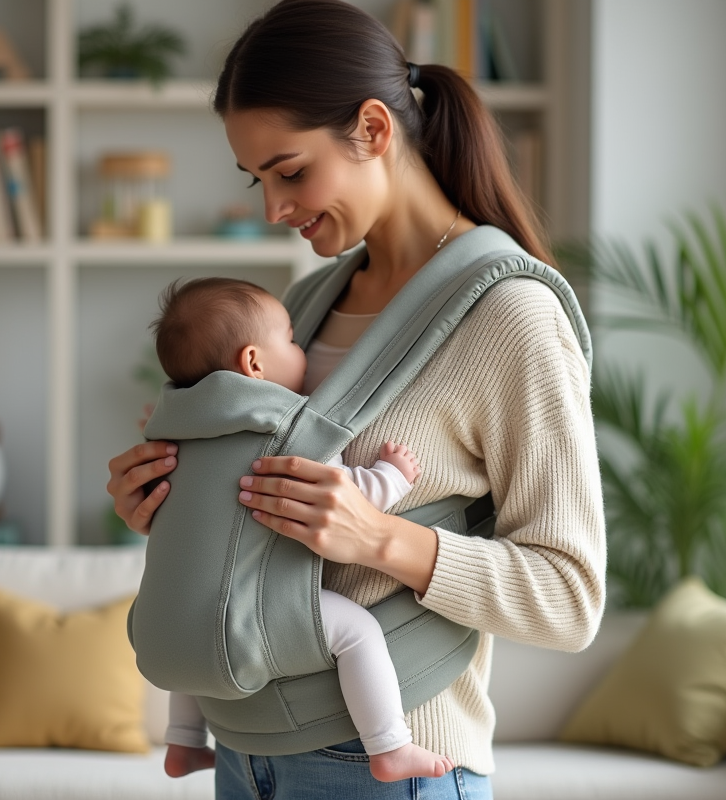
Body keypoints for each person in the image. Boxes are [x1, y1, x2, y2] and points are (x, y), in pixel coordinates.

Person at [106, 1, 606, 797]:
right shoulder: (304, 306)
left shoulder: (510, 315)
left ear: (373, 129)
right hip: (243, 751)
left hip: (389, 765)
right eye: (258, 180)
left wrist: (379, 537)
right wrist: (169, 502)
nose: (273, 209)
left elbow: (570, 598)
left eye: (290, 171)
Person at [148, 276, 448, 783]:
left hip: (170, 619)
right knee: (356, 632)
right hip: (251, 610)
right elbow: (341, 500)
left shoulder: (177, 434)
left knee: (196, 627)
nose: (301, 350)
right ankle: (389, 746)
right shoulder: (286, 429)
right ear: (254, 363)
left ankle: (182, 744)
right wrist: (391, 476)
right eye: (290, 339)